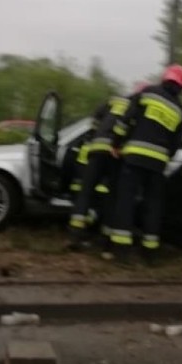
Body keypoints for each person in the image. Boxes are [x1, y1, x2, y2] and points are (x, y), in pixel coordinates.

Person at [105, 65, 182, 261]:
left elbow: (125, 120)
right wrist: (164, 157)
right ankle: (150, 252)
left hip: (134, 157)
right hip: (158, 164)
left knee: (126, 201)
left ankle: (121, 250)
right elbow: (176, 144)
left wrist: (116, 143)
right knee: (153, 205)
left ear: (165, 78)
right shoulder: (179, 109)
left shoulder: (147, 93)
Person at [66, 91, 132, 248]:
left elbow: (95, 119)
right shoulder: (136, 106)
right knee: (112, 196)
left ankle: (75, 233)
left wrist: (96, 134)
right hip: (115, 152)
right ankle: (105, 238)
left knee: (86, 191)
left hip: (96, 147)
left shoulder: (114, 100)